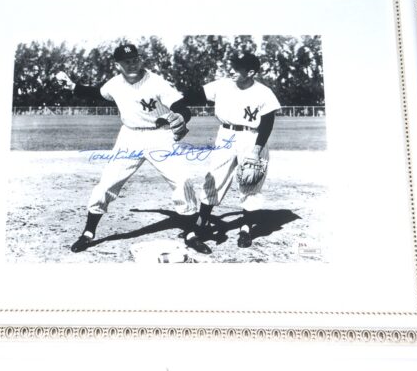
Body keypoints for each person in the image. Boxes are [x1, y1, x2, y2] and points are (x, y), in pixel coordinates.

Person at [55, 43, 205, 253]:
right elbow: (99, 93)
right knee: (107, 183)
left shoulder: (156, 82)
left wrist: (181, 116)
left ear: (140, 59)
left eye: (135, 59)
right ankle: (88, 233)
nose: (132, 63)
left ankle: (190, 234)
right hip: (129, 136)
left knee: (182, 182)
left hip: (159, 137)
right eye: (126, 61)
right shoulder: (114, 84)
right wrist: (73, 86)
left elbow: (180, 106)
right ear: (118, 65)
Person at [186, 53, 281, 252]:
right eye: (232, 66)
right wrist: (173, 101)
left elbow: (267, 124)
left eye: (237, 68)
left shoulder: (264, 93)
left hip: (253, 137)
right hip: (226, 135)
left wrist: (256, 151)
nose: (231, 71)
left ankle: (246, 228)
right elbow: (194, 94)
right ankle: (200, 226)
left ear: (251, 72)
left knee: (250, 183)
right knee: (213, 179)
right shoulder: (221, 85)